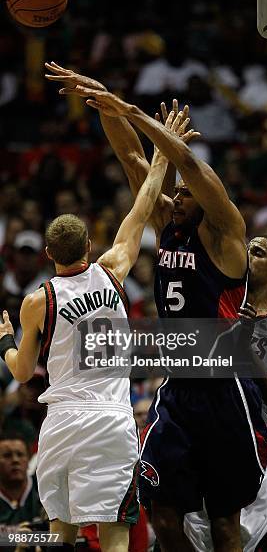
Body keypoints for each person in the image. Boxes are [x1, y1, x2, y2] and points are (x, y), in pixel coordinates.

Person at [44, 63, 267, 552]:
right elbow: (131, 156)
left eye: (187, 195)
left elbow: (187, 165)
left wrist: (131, 110)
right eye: (178, 195)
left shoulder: (226, 233)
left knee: (225, 523)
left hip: (223, 387)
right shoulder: (170, 223)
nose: (178, 196)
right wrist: (103, 99)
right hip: (176, 389)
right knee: (163, 513)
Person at [0, 140, 173, 552]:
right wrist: (163, 153)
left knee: (60, 535)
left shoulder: (37, 301)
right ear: (89, 247)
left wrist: (5, 339)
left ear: (47, 254)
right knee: (114, 533)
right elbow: (142, 206)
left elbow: (22, 372)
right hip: (110, 419)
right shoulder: (112, 271)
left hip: (60, 420)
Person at [183, 235, 267, 552]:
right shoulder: (212, 306)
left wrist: (247, 355)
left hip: (257, 452)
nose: (247, 255)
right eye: (246, 249)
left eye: (258, 252)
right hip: (202, 450)